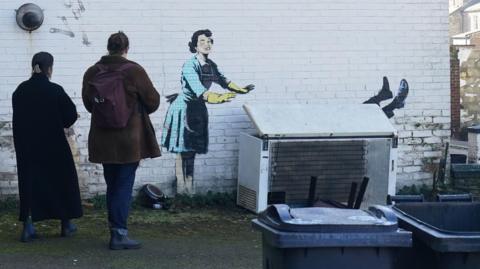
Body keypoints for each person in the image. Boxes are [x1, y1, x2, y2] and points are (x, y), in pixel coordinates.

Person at [82, 32, 160, 250]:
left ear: (108, 47)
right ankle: (119, 234)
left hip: (103, 138)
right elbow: (153, 102)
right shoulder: (134, 71)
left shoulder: (92, 71)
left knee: (113, 184)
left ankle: (115, 229)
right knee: (123, 186)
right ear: (127, 48)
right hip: (129, 139)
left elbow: (90, 105)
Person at [161, 29, 254, 195]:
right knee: (183, 149)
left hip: (199, 109)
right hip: (185, 109)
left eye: (210, 41)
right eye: (202, 41)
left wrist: (242, 90)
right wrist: (219, 98)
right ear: (195, 46)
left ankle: (189, 188)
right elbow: (200, 91)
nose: (207, 44)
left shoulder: (211, 66)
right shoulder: (190, 65)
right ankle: (182, 188)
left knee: (193, 149)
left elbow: (224, 81)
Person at [12, 51, 82, 242]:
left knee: (29, 183)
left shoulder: (20, 91)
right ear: (49, 68)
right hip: (54, 145)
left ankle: (28, 227)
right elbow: (70, 115)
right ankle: (66, 224)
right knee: (62, 181)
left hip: (28, 147)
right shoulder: (55, 90)